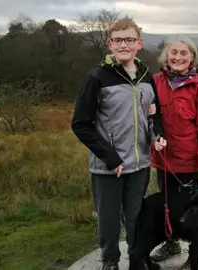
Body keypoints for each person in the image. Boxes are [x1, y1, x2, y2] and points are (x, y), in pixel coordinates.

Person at [71, 16, 167, 270]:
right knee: (109, 218)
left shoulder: (148, 77)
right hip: (108, 167)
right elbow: (80, 124)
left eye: (129, 39)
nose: (124, 44)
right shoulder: (98, 77)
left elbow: (152, 114)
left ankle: (137, 258)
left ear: (139, 43)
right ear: (110, 45)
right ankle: (110, 261)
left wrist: (157, 135)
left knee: (136, 217)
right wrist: (110, 158)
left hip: (140, 164)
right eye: (118, 40)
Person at [149, 36, 198, 267]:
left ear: (192, 58)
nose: (177, 57)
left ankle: (196, 254)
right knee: (168, 207)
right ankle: (172, 242)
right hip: (163, 162)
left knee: (195, 213)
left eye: (183, 53)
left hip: (190, 166)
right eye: (174, 52)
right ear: (166, 56)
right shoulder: (155, 82)